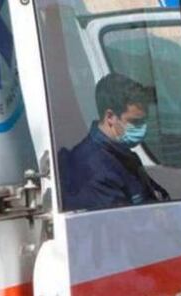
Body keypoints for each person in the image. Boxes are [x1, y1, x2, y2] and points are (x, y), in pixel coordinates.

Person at [60, 73, 170, 211]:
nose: (143, 127)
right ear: (110, 117)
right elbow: (123, 225)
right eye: (135, 121)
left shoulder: (124, 156)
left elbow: (159, 198)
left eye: (144, 121)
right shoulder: (94, 169)